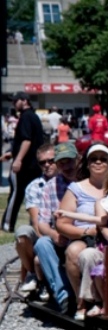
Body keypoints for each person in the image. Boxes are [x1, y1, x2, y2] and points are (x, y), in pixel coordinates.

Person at [55, 143, 108, 319]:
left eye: (103, 159)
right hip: (85, 236)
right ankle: (81, 302)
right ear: (87, 164)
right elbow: (62, 223)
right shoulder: (76, 189)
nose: (98, 162)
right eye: (93, 159)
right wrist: (86, 232)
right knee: (74, 251)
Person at [33, 142, 80, 313]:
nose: (66, 166)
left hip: (84, 236)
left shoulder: (88, 181)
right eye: (61, 163)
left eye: (69, 161)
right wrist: (54, 234)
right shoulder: (50, 187)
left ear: (78, 159)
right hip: (62, 238)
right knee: (42, 244)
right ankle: (64, 296)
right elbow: (42, 223)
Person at [14, 144, 57, 296]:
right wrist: (43, 247)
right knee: (22, 234)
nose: (47, 165)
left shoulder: (68, 182)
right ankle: (33, 272)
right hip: (43, 229)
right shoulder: (34, 186)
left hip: (63, 230)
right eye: (42, 162)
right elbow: (36, 220)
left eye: (51, 160)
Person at [1, 92, 45, 232]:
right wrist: (11, 153)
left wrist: (18, 159)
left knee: (16, 194)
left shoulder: (25, 117)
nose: (13, 104)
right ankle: (36, 225)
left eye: (16, 101)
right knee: (35, 196)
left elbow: (27, 140)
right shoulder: (34, 116)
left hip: (25, 165)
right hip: (35, 164)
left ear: (25, 101)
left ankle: (7, 225)